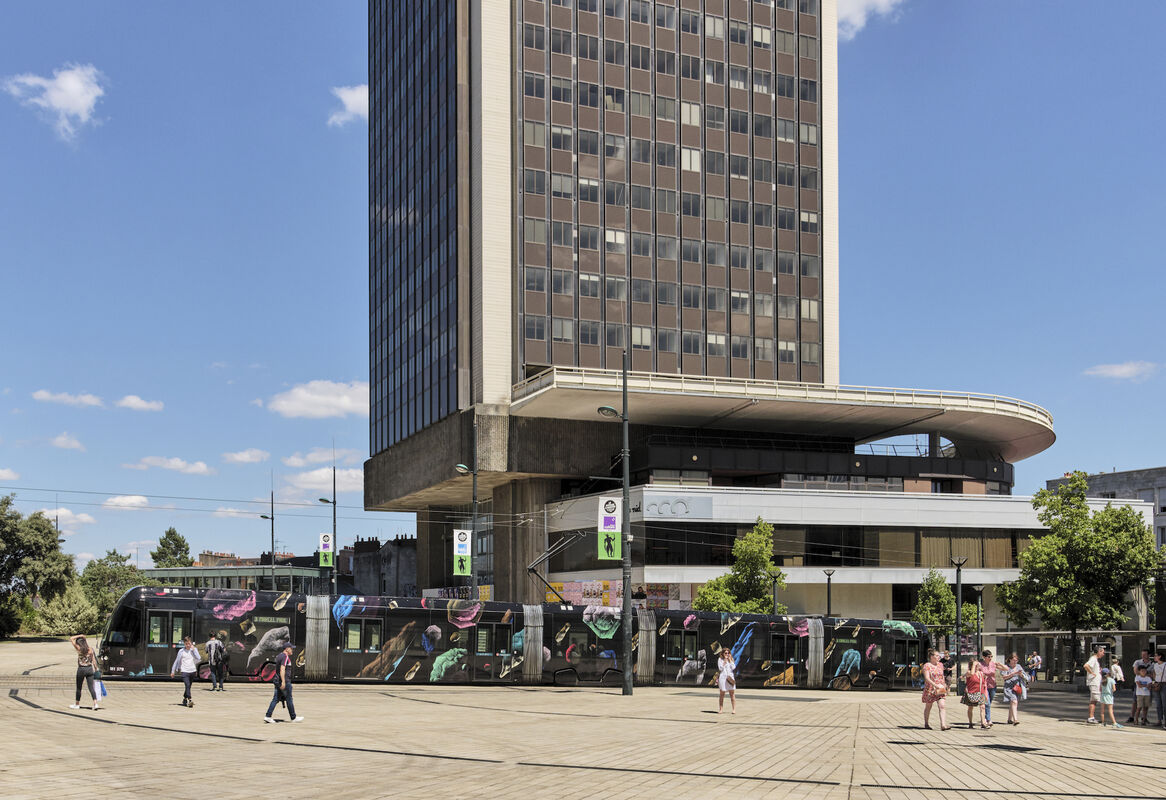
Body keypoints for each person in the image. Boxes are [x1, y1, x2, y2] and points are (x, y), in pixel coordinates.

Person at [265, 641, 303, 723]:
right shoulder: (285, 657)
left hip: (277, 680)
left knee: (275, 699)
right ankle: (293, 717)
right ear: (287, 649)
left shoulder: (279, 656)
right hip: (284, 681)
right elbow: (282, 669)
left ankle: (268, 716)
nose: (292, 650)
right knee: (289, 699)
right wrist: (283, 682)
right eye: (291, 648)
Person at [69, 634, 100, 711]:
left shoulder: (79, 649)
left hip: (81, 669)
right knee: (91, 688)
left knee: (79, 687)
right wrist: (96, 670)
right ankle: (95, 703)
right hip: (89, 669)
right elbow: (94, 661)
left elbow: (71, 638)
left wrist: (80, 635)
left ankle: (77, 704)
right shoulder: (91, 649)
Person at [921, 649, 950, 730]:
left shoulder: (940, 665)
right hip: (931, 688)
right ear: (931, 657)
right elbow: (927, 678)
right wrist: (935, 685)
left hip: (940, 688)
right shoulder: (927, 665)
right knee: (928, 706)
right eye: (936, 655)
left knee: (942, 706)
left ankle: (943, 725)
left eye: (938, 655)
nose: (938, 657)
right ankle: (926, 723)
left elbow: (942, 676)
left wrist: (944, 685)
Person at [170, 636, 201, 708]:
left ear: (191, 643)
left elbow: (199, 658)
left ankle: (184, 699)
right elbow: (176, 661)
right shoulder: (181, 651)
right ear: (184, 644)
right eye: (186, 643)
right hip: (184, 671)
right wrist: (173, 671)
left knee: (188, 686)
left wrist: (194, 650)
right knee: (187, 685)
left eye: (189, 643)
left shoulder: (194, 650)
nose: (188, 645)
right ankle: (190, 700)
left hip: (192, 671)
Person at [999, 652, 1027, 725]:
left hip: (1017, 687)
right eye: (1014, 660)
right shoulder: (1005, 667)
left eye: (1016, 660)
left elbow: (1024, 675)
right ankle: (1015, 720)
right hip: (1009, 687)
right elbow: (1004, 677)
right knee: (1014, 702)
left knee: (1013, 702)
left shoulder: (1018, 666)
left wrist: (1021, 675)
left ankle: (1009, 719)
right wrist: (1014, 674)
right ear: (1010, 660)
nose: (1015, 662)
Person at [1126, 649, 1151, 723]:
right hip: (1138, 687)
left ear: (1149, 655)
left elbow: (1153, 674)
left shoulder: (1152, 663)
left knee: (1146, 704)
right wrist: (1146, 674)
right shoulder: (1137, 662)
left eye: (1145, 654)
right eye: (1142, 654)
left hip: (1147, 689)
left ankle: (1144, 718)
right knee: (1135, 701)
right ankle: (1132, 717)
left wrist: (1143, 674)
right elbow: (1136, 672)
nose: (1143, 656)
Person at [961, 659, 986, 729]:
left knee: (982, 707)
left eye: (978, 665)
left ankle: (983, 722)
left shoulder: (981, 673)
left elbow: (984, 683)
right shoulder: (969, 672)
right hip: (972, 692)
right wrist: (974, 665)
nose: (978, 666)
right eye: (976, 665)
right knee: (970, 707)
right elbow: (971, 674)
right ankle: (970, 723)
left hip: (981, 692)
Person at [979, 649, 1000, 727]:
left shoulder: (993, 664)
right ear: (984, 657)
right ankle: (988, 720)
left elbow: (1003, 669)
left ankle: (984, 716)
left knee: (989, 703)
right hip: (984, 686)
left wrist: (1001, 665)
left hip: (993, 685)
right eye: (988, 656)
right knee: (987, 703)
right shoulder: (980, 665)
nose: (990, 658)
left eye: (991, 656)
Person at [1083, 644, 1104, 724]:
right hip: (1094, 683)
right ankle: (1096, 717)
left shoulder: (1095, 660)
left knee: (1093, 701)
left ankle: (1091, 717)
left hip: (1095, 682)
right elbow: (1086, 666)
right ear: (1098, 652)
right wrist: (1092, 673)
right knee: (1097, 700)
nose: (1103, 654)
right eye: (1102, 652)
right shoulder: (1093, 659)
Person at [716, 647, 736, 714]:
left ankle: (733, 709)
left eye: (728, 653)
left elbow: (733, 668)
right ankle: (721, 709)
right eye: (726, 653)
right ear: (723, 654)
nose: (727, 654)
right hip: (723, 678)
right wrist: (724, 662)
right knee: (722, 694)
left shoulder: (731, 660)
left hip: (730, 678)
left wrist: (730, 661)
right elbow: (720, 668)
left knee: (732, 694)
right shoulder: (720, 659)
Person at [1151, 651, 1166, 729]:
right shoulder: (1155, 665)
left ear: (1160, 656)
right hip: (1157, 684)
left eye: (1156, 656)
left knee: (1164, 704)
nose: (1154, 657)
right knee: (1158, 704)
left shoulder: (1165, 664)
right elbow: (1154, 673)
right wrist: (1154, 682)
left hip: (1164, 684)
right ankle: (1159, 720)